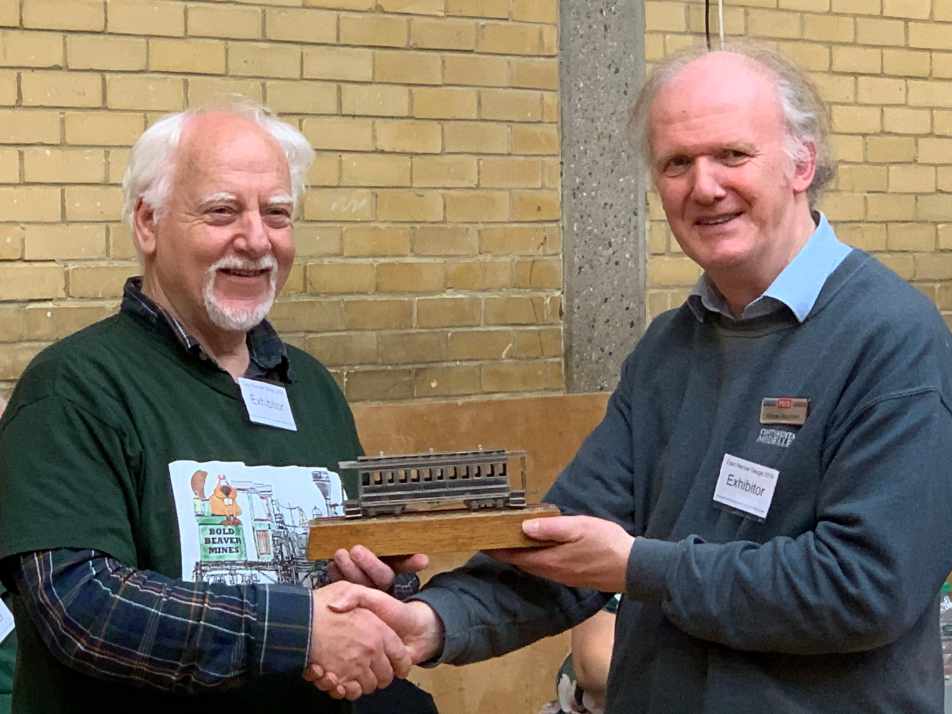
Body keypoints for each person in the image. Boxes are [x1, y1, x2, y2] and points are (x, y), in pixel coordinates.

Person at [321, 42, 952, 713]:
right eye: (677, 163)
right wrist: (434, 621)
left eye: (731, 155)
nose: (704, 186)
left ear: (802, 162)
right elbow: (575, 543)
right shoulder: (668, 349)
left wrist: (638, 566)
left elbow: (864, 589)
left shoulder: (891, 339)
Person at [0, 103, 429, 713]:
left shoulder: (310, 387)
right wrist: (300, 630)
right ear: (148, 223)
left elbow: (357, 561)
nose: (256, 240)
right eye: (222, 211)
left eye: (276, 214)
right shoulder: (74, 388)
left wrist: (380, 587)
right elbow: (81, 605)